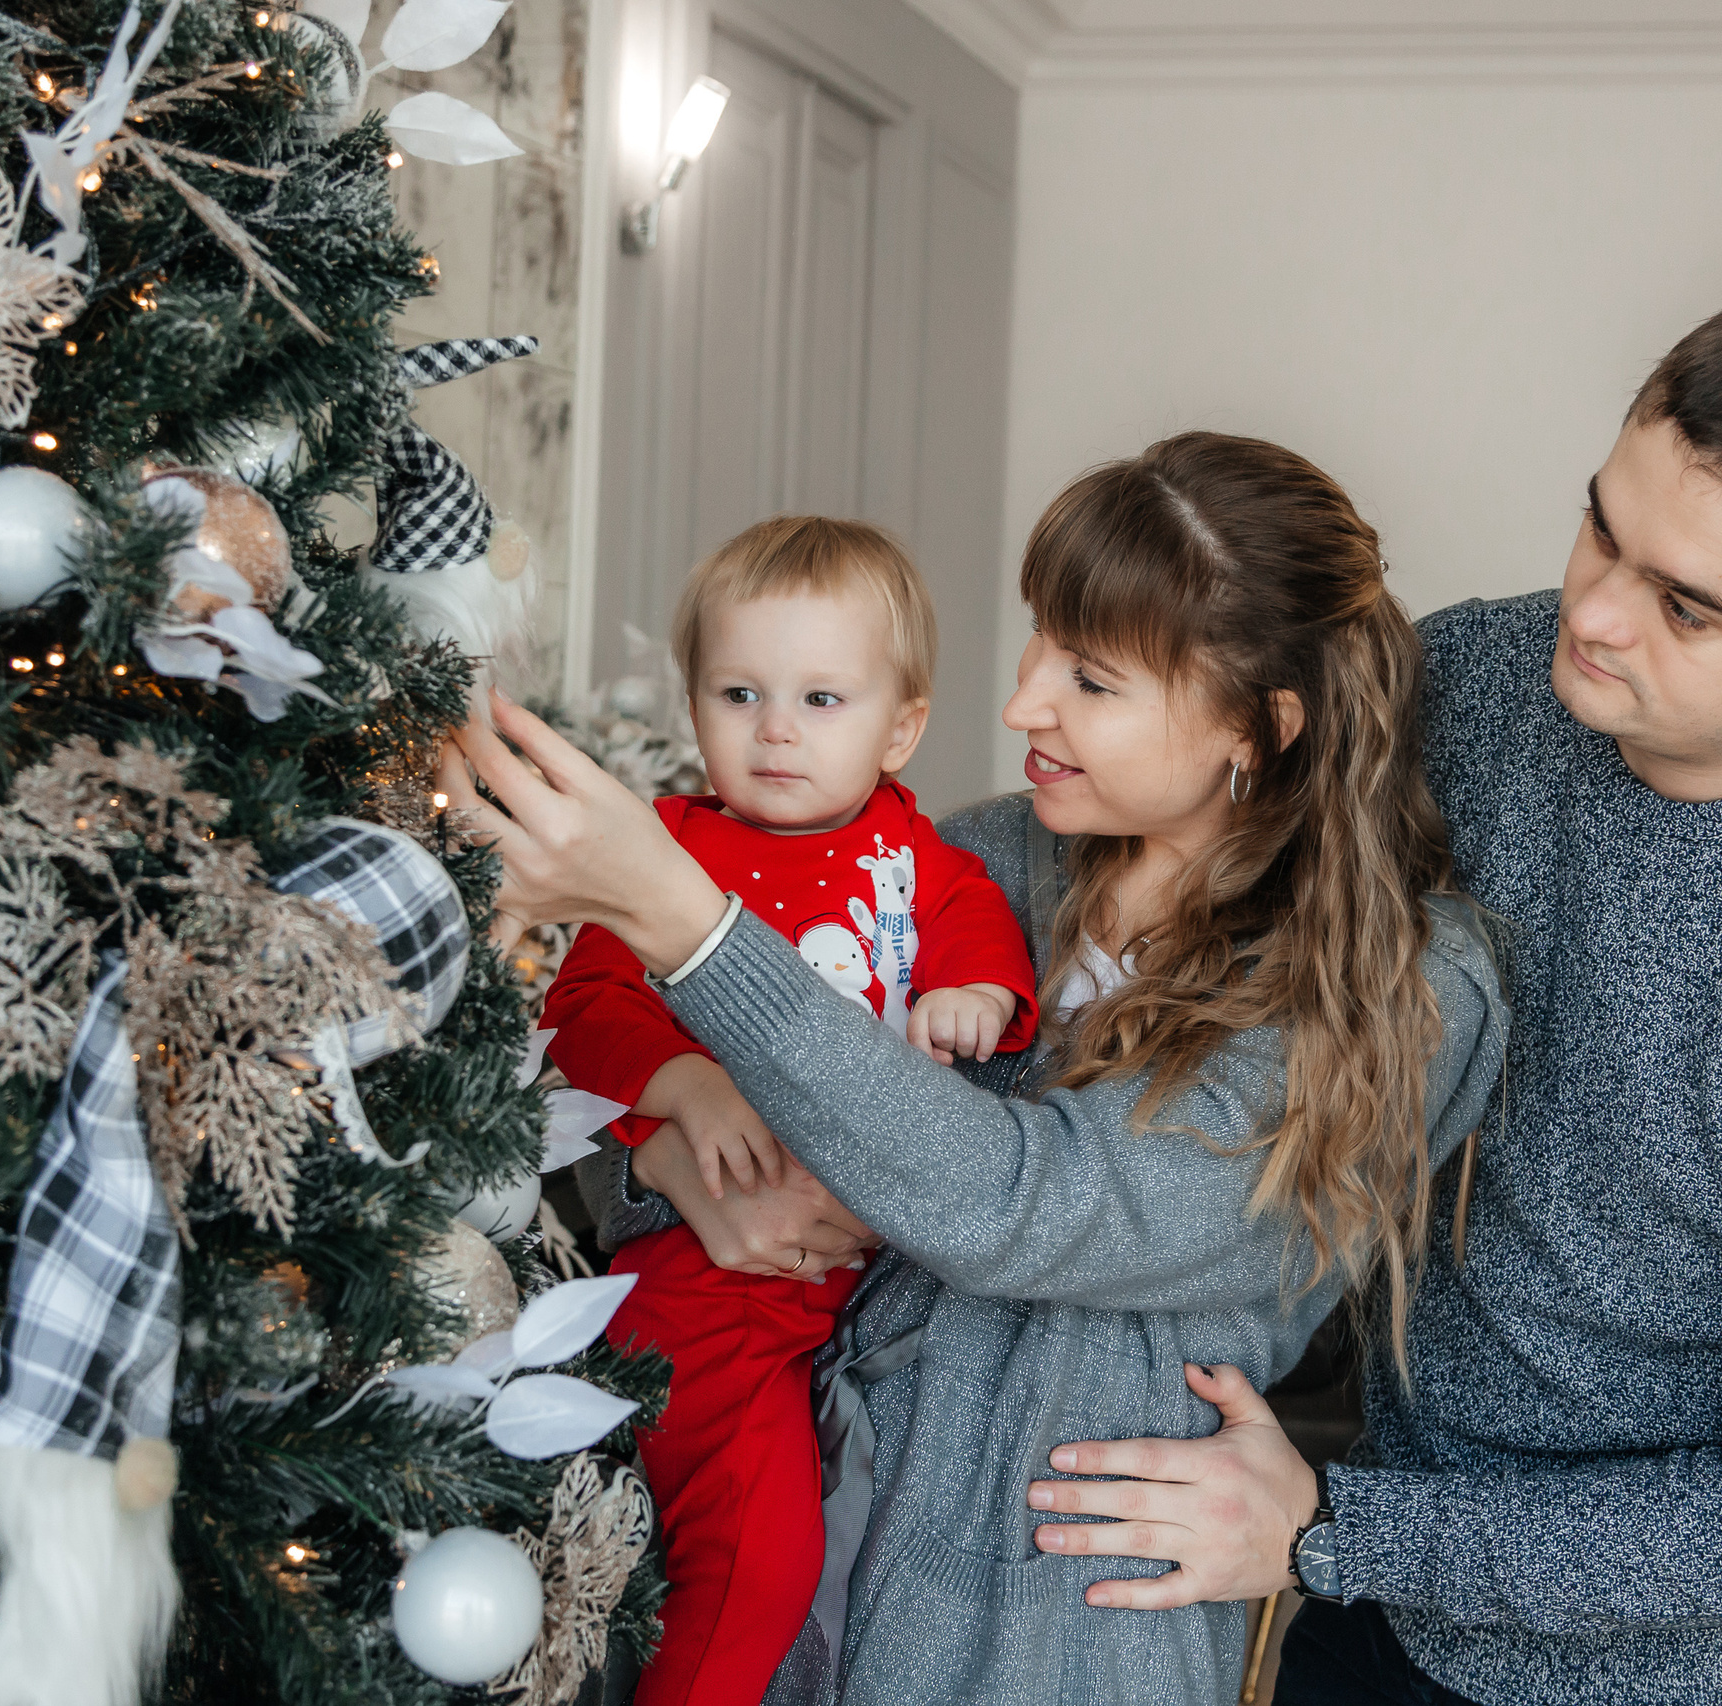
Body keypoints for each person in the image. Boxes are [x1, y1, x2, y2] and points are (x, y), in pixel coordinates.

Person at [1019, 279, 1722, 1706]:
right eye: (1600, 527)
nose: (1596, 610)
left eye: (1686, 605)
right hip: (1367, 1605)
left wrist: (1332, 1526)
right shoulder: (1479, 681)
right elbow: (1169, 832)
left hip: (1678, 1676)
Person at [451, 434, 1510, 1705]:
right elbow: (755, 1076)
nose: (1020, 708)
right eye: (1039, 643)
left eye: (1093, 678)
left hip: (1048, 1615)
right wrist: (662, 1159)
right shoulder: (993, 852)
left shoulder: (1396, 982)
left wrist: (687, 923)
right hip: (805, 1524)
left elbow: (1032, 1203)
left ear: (1258, 727)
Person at [541, 516, 1040, 1706]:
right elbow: (582, 1009)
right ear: (695, 702)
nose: (774, 728)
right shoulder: (667, 848)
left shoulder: (921, 858)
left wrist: (976, 994)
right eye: (739, 692)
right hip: (715, 1289)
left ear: (900, 725)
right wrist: (685, 1082)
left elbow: (983, 952)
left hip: (859, 1291)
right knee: (757, 1557)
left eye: (821, 697)